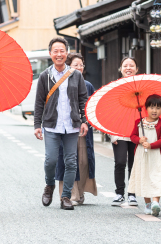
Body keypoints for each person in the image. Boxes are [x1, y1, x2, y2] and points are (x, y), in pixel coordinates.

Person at [34, 37, 89, 211]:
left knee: (71, 161)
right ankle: (49, 185)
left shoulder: (76, 75)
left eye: (62, 51)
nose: (59, 54)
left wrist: (84, 121)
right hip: (51, 124)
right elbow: (39, 102)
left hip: (71, 125)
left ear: (67, 53)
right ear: (50, 54)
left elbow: (83, 99)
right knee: (50, 160)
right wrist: (37, 125)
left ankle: (65, 196)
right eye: (55, 51)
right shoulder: (45, 76)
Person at [54, 52, 97, 204]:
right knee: (68, 160)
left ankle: (81, 191)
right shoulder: (62, 82)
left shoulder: (88, 85)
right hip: (66, 127)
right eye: (75, 65)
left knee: (83, 161)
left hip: (83, 127)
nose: (79, 67)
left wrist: (88, 122)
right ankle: (70, 194)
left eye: (81, 65)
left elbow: (92, 107)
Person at [127, 94, 161, 217]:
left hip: (156, 156)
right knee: (145, 177)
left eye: (158, 108)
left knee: (156, 176)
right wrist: (139, 140)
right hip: (142, 156)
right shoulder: (139, 122)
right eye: (151, 107)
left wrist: (151, 145)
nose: (154, 110)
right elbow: (132, 136)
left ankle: (155, 202)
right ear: (146, 108)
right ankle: (147, 204)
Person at [111, 57, 139, 207]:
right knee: (120, 162)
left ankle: (132, 194)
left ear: (136, 68)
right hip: (119, 130)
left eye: (131, 66)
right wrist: (111, 133)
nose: (128, 68)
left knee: (134, 164)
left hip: (136, 132)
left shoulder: (141, 86)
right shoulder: (115, 88)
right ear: (120, 69)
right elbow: (110, 113)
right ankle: (119, 193)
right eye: (125, 66)